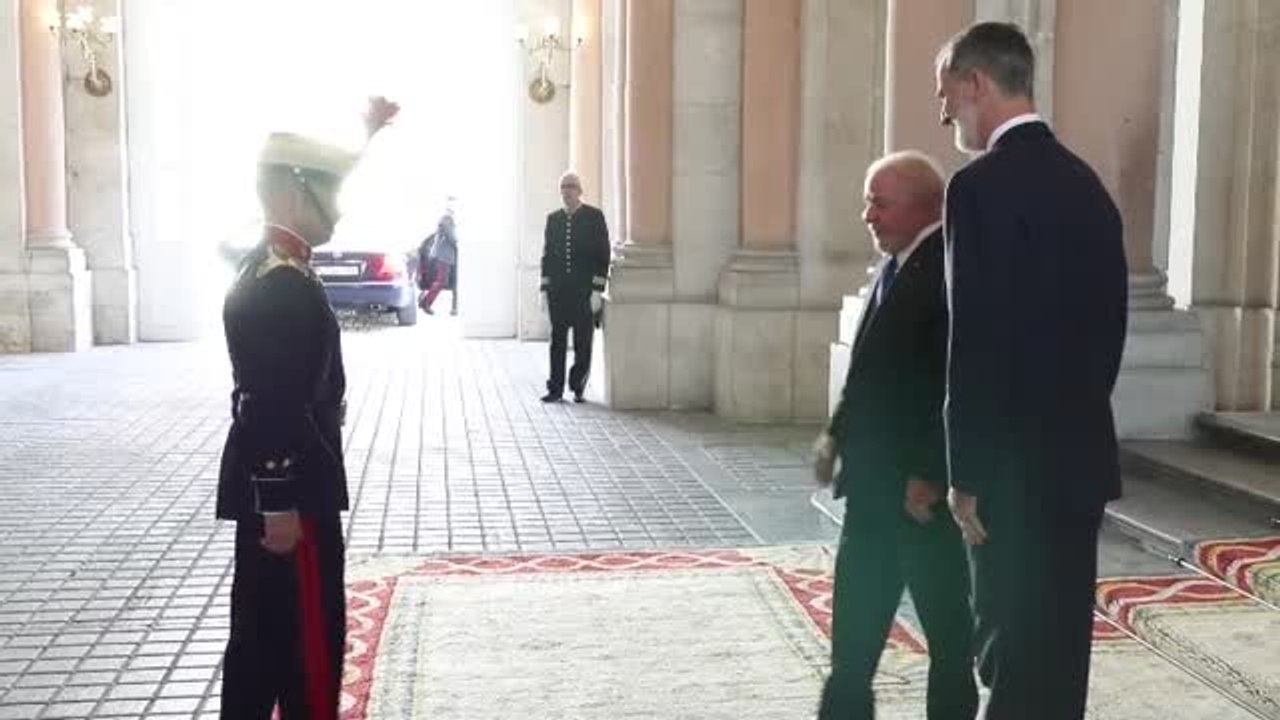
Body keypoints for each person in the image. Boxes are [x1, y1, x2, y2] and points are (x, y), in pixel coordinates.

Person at [935, 23, 1127, 719]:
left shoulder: (977, 187)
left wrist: (967, 475)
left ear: (976, 83)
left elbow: (975, 340)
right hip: (1077, 461)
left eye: (947, 93)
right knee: (1060, 653)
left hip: (1008, 475)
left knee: (1006, 651)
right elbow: (1109, 332)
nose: (944, 111)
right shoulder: (1088, 185)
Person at [216, 96, 398, 719]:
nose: (340, 206)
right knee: (300, 645)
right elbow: (269, 404)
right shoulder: (283, 289)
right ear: (296, 197)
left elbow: (272, 394)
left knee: (266, 640)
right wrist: (279, 503)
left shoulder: (270, 266)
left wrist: (365, 137)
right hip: (290, 495)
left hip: (288, 485)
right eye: (329, 192)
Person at [814, 151, 976, 720]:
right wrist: (835, 435)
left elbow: (956, 380)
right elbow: (869, 369)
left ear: (920, 205)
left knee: (950, 639)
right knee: (854, 635)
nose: (867, 215)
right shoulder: (896, 264)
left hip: (918, 499)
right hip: (873, 488)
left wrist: (933, 474)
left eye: (878, 203)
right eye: (868, 202)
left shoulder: (948, 271)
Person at [540, 171, 610, 403]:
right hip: (558, 292)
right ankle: (555, 388)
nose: (567, 191)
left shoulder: (594, 217)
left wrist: (597, 289)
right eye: (563, 187)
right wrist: (544, 288)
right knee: (557, 342)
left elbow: (603, 255)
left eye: (571, 186)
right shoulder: (554, 219)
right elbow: (548, 255)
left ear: (579, 190)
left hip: (583, 292)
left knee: (583, 343)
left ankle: (577, 384)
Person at [418, 212, 458, 315]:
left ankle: (425, 302)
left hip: (442, 256)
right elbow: (453, 239)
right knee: (441, 281)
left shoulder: (445, 221)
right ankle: (426, 302)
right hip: (444, 257)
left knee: (442, 281)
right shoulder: (447, 221)